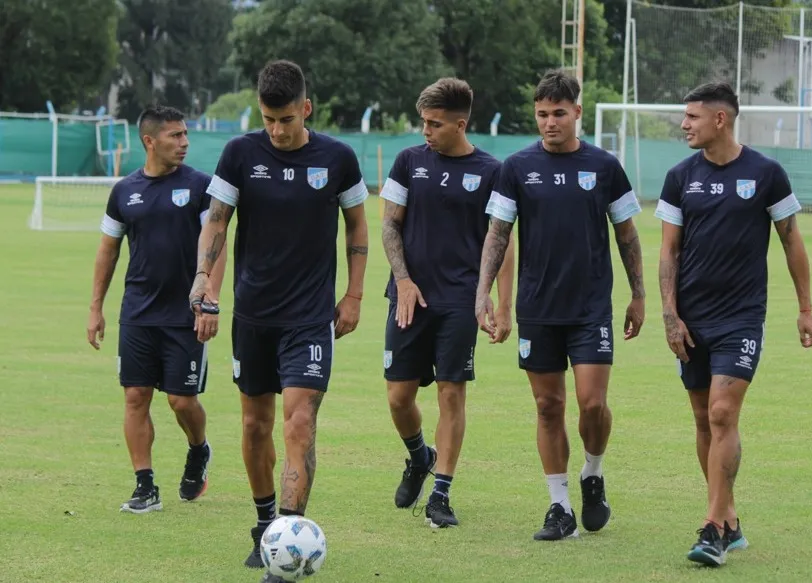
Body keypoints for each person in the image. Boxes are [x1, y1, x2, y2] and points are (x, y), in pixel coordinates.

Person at [189, 60, 368, 580]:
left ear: (305, 109)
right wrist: (205, 277)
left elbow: (357, 226)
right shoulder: (239, 154)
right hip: (255, 316)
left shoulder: (338, 158)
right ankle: (266, 523)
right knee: (254, 425)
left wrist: (354, 295)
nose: (277, 130)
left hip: (310, 318)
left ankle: (288, 541)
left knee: (300, 422)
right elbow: (216, 222)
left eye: (286, 119)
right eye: (268, 119)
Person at [475, 70, 645, 541]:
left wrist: (638, 294)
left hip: (591, 308)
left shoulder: (605, 167)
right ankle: (559, 506)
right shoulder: (515, 168)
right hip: (537, 308)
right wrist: (483, 290)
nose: (550, 123)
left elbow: (627, 234)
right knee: (548, 407)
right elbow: (498, 234)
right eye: (542, 114)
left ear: (577, 113)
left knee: (592, 405)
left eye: (559, 114)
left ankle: (593, 472)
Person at [654, 81, 812, 567]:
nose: (684, 124)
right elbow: (669, 251)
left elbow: (791, 240)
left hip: (741, 318)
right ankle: (729, 516)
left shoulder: (766, 173)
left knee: (723, 413)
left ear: (720, 120)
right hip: (691, 319)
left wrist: (806, 307)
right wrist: (669, 314)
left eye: (692, 117)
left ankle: (714, 528)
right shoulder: (679, 176)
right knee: (704, 417)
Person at [380, 77, 515, 528]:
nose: (426, 131)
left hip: (460, 300)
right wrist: (402, 279)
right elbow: (389, 225)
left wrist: (497, 300)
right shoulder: (408, 162)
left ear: (461, 124)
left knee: (451, 393)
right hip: (408, 297)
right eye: (423, 122)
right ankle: (420, 456)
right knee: (399, 397)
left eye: (435, 124)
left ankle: (440, 494)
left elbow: (503, 243)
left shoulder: (493, 172)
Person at [87, 105, 227, 514]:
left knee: (181, 402)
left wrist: (209, 301)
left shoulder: (202, 186)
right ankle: (144, 485)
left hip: (186, 313)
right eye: (175, 136)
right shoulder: (123, 191)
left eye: (185, 135)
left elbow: (216, 245)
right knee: (135, 397)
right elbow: (107, 252)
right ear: (149, 141)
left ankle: (198, 450)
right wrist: (95, 308)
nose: (184, 143)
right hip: (138, 313)